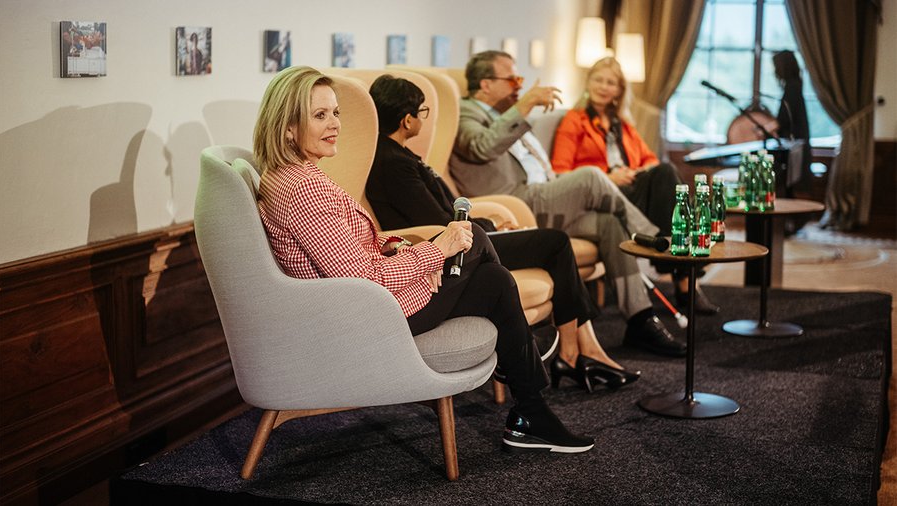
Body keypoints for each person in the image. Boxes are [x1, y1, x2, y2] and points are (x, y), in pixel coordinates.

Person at [254, 65, 593, 453]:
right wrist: (433, 253)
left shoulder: (294, 174)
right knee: (476, 239)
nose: (334, 124)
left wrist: (407, 251)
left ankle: (530, 410)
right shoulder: (303, 189)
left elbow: (353, 248)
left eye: (336, 113)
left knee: (495, 280)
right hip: (368, 315)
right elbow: (365, 279)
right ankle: (525, 372)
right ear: (287, 128)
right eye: (319, 115)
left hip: (367, 302)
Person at [365, 74, 640, 391]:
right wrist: (493, 226)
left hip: (463, 237)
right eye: (422, 113)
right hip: (454, 249)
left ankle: (579, 350)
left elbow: (447, 212)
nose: (424, 120)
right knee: (555, 242)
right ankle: (574, 352)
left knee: (552, 244)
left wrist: (493, 223)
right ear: (407, 119)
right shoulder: (393, 162)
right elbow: (438, 222)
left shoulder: (399, 155)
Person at [450, 50, 686, 357]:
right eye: (513, 79)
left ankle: (640, 319)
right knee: (590, 176)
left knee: (609, 224)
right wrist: (524, 106)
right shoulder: (467, 113)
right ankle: (655, 239)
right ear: (485, 84)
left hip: (544, 197)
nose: (519, 86)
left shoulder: (504, 113)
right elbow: (482, 147)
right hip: (514, 202)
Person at [551, 57, 719, 314]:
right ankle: (685, 280)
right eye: (598, 80)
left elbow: (650, 159)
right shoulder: (575, 121)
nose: (603, 87)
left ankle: (679, 267)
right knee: (667, 177)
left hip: (631, 188)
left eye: (610, 82)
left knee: (664, 172)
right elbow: (560, 172)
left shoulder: (623, 125)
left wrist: (637, 171)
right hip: (601, 194)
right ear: (588, 82)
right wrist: (608, 176)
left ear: (619, 90)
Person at [773, 50, 811, 197]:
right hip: (795, 144)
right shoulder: (795, 85)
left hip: (794, 147)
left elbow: (783, 119)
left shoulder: (792, 87)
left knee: (790, 186)